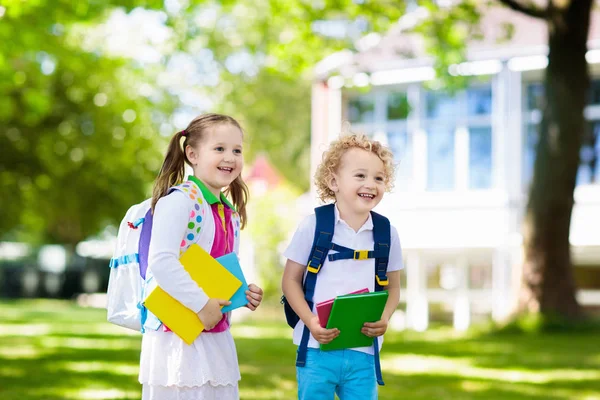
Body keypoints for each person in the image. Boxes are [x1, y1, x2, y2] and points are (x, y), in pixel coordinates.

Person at [139, 113, 263, 400]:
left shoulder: (228, 212)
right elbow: (162, 262)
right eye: (219, 149)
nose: (230, 157)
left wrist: (244, 292)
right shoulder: (179, 201)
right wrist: (201, 304)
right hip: (177, 336)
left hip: (215, 334)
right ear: (192, 154)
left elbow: (220, 266)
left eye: (237, 150)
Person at [281, 133, 403, 400]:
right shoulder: (313, 225)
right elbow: (290, 281)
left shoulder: (386, 232)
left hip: (364, 351)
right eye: (360, 176)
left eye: (379, 178)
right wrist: (311, 321)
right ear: (333, 181)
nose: (370, 184)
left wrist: (384, 318)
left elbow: (394, 287)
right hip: (316, 348)